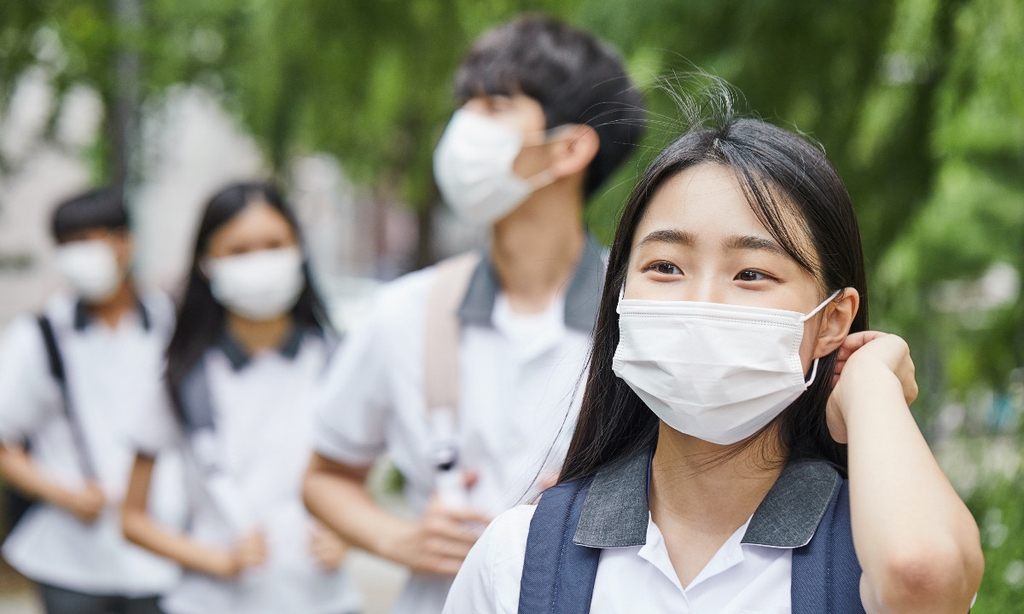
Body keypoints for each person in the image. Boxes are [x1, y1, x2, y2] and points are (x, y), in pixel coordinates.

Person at [442, 114, 984, 613]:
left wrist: (869, 384)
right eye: (665, 266)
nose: (701, 303)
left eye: (750, 273)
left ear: (832, 320)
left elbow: (923, 575)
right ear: (621, 295)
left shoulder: (868, 549)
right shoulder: (519, 559)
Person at [303, 15, 645, 614]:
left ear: (569, 148)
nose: (462, 128)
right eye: (464, 105)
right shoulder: (404, 312)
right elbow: (324, 474)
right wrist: (400, 539)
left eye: (493, 106)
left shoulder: (643, 314)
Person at [120, 182, 361, 614]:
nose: (260, 262)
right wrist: (214, 559)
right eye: (239, 250)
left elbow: (360, 472)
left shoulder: (336, 362)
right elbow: (132, 519)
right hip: (208, 603)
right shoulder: (180, 377)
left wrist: (349, 533)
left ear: (300, 250)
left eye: (274, 245)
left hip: (325, 601)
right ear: (206, 264)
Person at [0, 187, 183, 614]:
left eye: (89, 240)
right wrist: (65, 494)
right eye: (67, 245)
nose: (78, 256)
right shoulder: (37, 336)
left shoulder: (173, 326)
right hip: (72, 556)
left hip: (167, 546)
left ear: (126, 243)